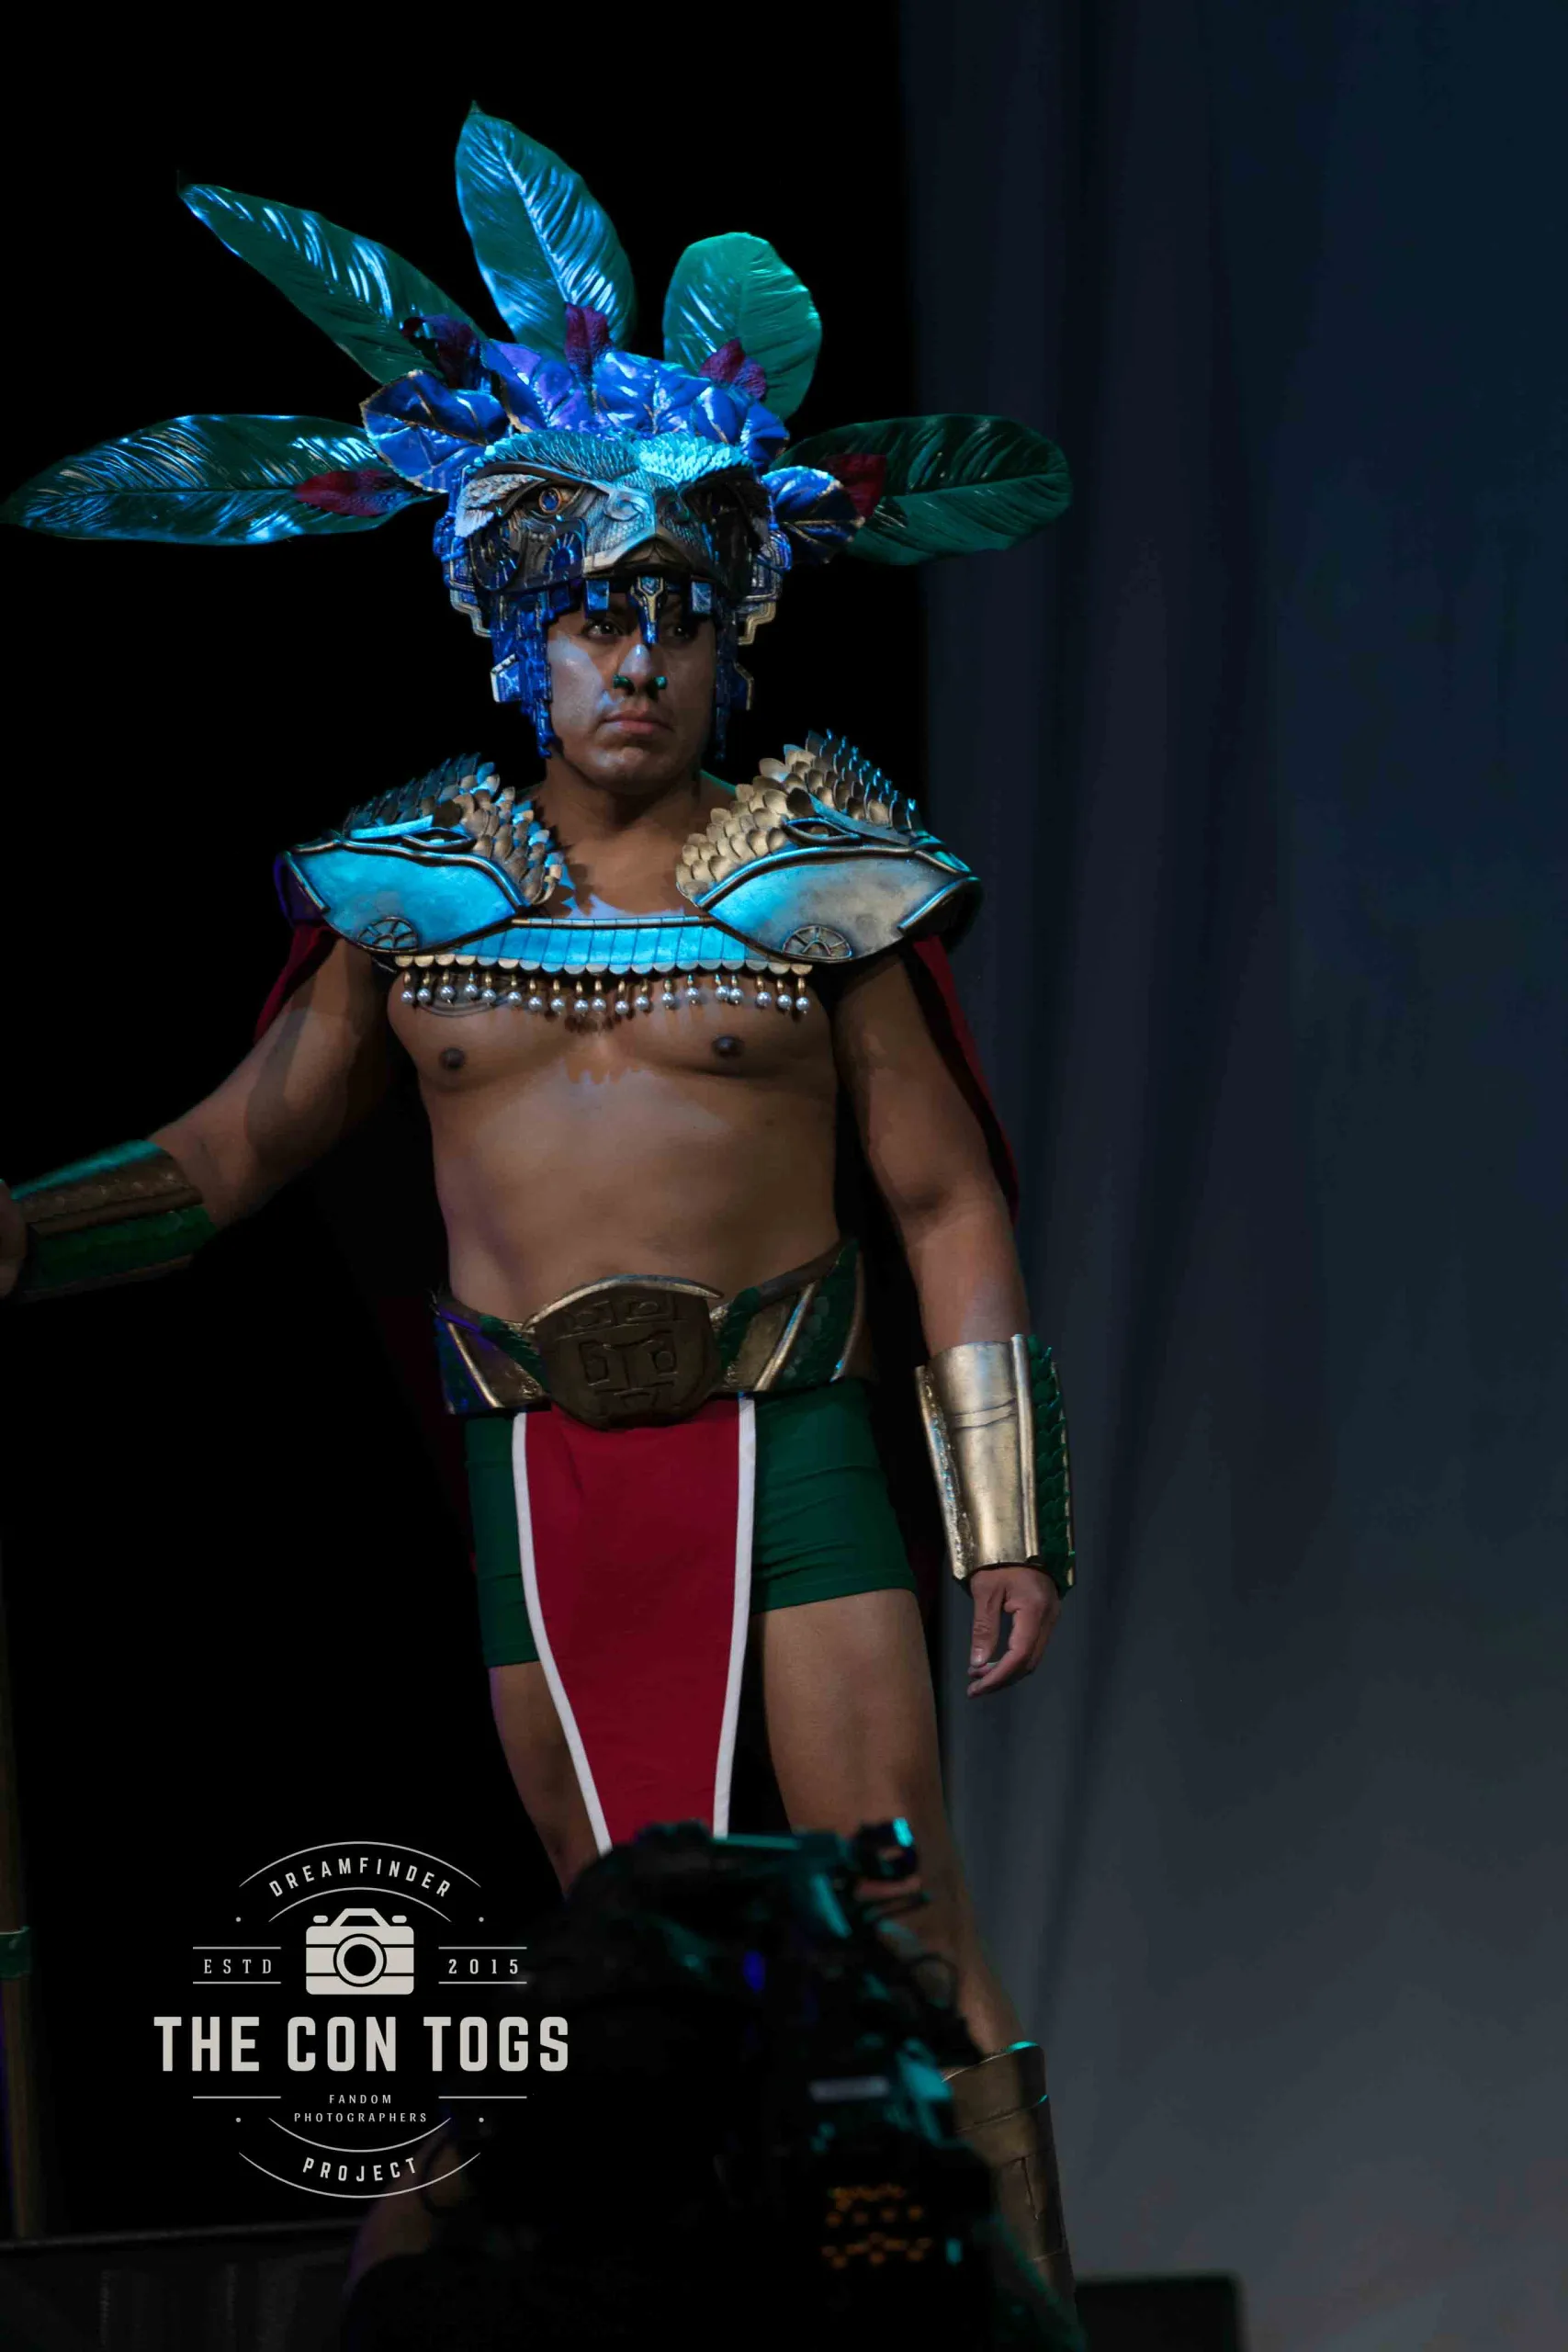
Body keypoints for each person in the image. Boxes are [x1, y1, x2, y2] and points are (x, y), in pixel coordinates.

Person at [0, 109, 1077, 2297]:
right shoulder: (406, 893)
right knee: (625, 1961)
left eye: (672, 613)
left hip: (798, 1450)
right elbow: (224, 1159)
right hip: (546, 1468)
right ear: (511, 637)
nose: (632, 660)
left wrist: (1006, 1514)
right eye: (587, 615)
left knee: (897, 1915)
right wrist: (23, 1230)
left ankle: (1025, 2315)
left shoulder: (828, 875)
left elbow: (946, 1194)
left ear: (733, 633)